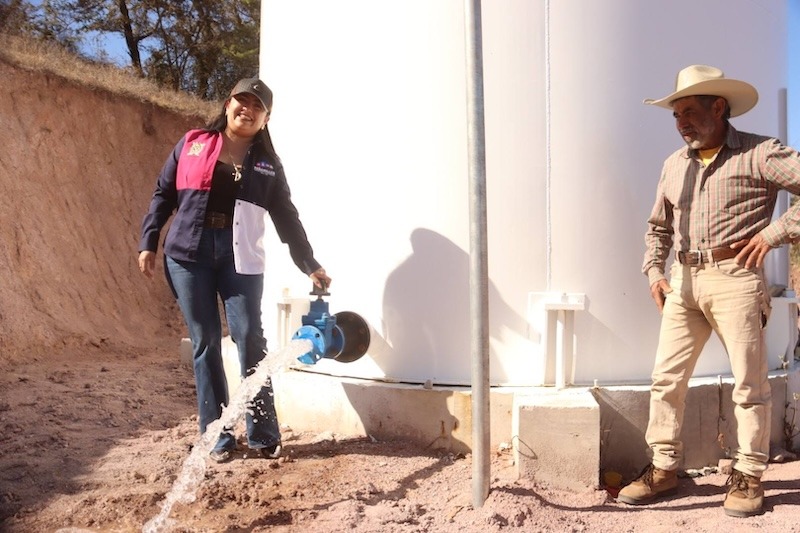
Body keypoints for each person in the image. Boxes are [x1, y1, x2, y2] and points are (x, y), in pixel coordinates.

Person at [617, 65, 800, 517]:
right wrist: (653, 272)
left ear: (718, 107)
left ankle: (749, 474)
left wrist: (774, 234)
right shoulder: (673, 164)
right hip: (683, 282)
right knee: (666, 379)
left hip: (736, 278)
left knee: (749, 384)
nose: (681, 123)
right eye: (676, 115)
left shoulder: (760, 152)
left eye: (689, 112)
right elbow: (658, 226)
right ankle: (664, 468)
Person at [138, 78, 331, 464]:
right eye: (242, 101)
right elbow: (163, 193)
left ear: (266, 119)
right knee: (206, 341)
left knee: (250, 338)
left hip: (240, 259)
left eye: (257, 106)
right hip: (188, 255)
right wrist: (149, 240)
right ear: (228, 105)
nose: (248, 109)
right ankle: (217, 437)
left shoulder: (268, 164)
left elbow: (286, 216)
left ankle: (263, 434)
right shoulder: (192, 143)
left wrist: (308, 262)